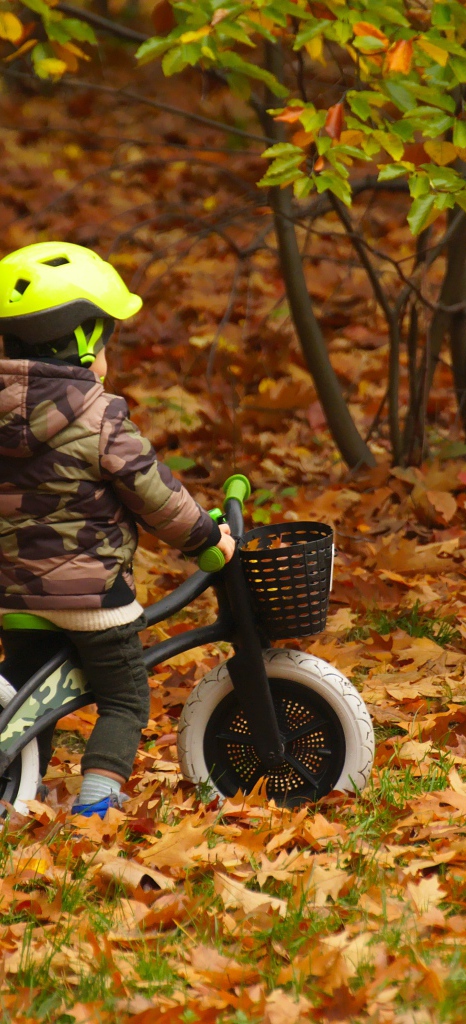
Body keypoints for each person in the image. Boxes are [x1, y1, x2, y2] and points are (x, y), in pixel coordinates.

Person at [0, 241, 235, 818]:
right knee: (125, 701)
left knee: (29, 707)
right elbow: (156, 495)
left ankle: (18, 792)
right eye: (105, 340)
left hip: (15, 596)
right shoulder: (101, 418)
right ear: (82, 344)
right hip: (94, 600)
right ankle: (98, 804)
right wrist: (207, 539)